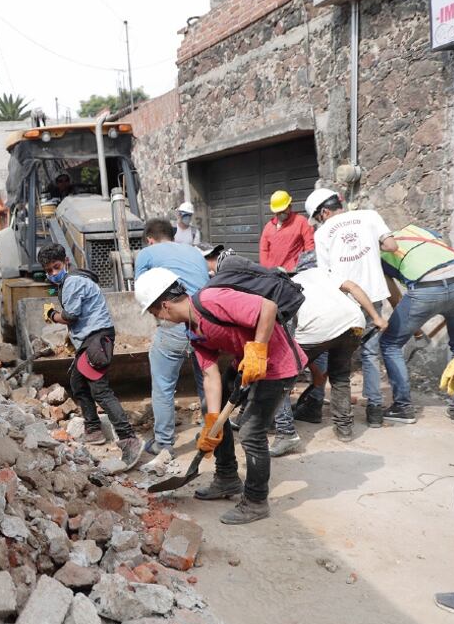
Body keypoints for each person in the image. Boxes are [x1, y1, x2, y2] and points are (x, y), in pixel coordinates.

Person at [135, 266, 307, 524]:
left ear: (165, 305)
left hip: (278, 365)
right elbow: (210, 376)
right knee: (211, 411)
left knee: (251, 432)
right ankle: (227, 477)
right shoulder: (193, 332)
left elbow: (268, 308)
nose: (157, 318)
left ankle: (257, 501)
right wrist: (213, 421)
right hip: (246, 366)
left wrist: (258, 349)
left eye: (153, 312)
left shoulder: (212, 300)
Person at [269, 251, 388, 455]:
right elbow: (353, 287)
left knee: (280, 378)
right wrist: (376, 317)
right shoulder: (326, 274)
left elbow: (290, 334)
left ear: (298, 269)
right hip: (353, 324)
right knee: (340, 376)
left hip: (316, 330)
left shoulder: (292, 281)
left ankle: (285, 432)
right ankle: (344, 429)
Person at [38, 243, 145, 469]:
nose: (53, 274)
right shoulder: (71, 281)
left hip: (96, 339)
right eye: (48, 271)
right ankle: (94, 429)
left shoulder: (74, 282)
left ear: (66, 262)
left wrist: (51, 314)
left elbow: (71, 316)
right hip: (89, 339)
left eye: (56, 267)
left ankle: (129, 439)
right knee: (77, 382)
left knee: (100, 390)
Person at [307, 188, 397, 428]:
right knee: (369, 354)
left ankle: (317, 404)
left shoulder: (323, 233)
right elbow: (390, 245)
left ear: (324, 212)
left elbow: (326, 275)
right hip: (373, 296)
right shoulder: (370, 216)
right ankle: (375, 410)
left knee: (330, 351)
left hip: (344, 301)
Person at [134, 219, 210, 458]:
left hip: (175, 322)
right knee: (207, 379)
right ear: (173, 234)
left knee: (164, 385)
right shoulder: (194, 251)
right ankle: (211, 431)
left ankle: (164, 443)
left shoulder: (146, 254)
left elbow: (144, 292)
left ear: (150, 239)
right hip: (203, 321)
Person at [376, 224, 454, 424]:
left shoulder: (377, 251)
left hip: (427, 288)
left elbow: (394, 295)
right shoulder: (418, 231)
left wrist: (412, 326)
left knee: (390, 343)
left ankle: (403, 407)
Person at [259, 190, 314, 271]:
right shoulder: (268, 227)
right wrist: (266, 270)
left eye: (283, 210)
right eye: (278, 211)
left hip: (293, 273)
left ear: (289, 206)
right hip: (274, 274)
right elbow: (264, 250)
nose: (281, 213)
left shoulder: (301, 222)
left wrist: (303, 268)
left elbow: (310, 247)